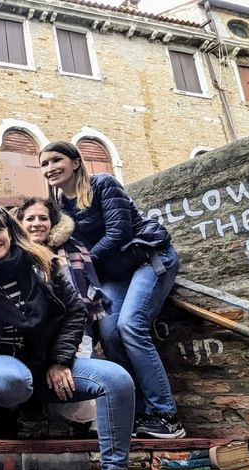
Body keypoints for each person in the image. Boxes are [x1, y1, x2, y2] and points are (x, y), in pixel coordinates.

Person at [0, 205, 146, 470]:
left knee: (118, 380)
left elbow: (74, 313)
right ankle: (10, 414)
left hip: (50, 367)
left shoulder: (45, 266)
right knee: (9, 382)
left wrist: (60, 361)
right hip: (6, 365)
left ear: (10, 231)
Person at [40, 141, 183, 439]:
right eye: (44, 164)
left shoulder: (103, 184)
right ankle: (139, 411)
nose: (50, 168)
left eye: (56, 160)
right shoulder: (60, 208)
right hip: (113, 273)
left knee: (131, 326)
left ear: (76, 162)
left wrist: (84, 261)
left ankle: (166, 415)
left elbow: (120, 232)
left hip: (147, 258)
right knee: (109, 333)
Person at [15, 196, 107, 434]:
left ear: (53, 222)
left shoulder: (70, 250)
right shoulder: (13, 255)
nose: (37, 224)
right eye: (30, 218)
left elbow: (79, 304)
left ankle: (88, 421)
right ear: (20, 223)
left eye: (43, 218)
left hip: (73, 326)